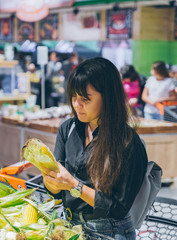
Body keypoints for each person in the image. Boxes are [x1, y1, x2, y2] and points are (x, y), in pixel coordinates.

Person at [42, 57, 148, 239]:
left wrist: (74, 185)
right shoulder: (68, 128)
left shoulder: (128, 142)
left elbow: (118, 209)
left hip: (108, 232)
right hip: (69, 226)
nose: (77, 105)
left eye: (85, 99)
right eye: (74, 97)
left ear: (108, 97)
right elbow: (57, 192)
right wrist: (51, 183)